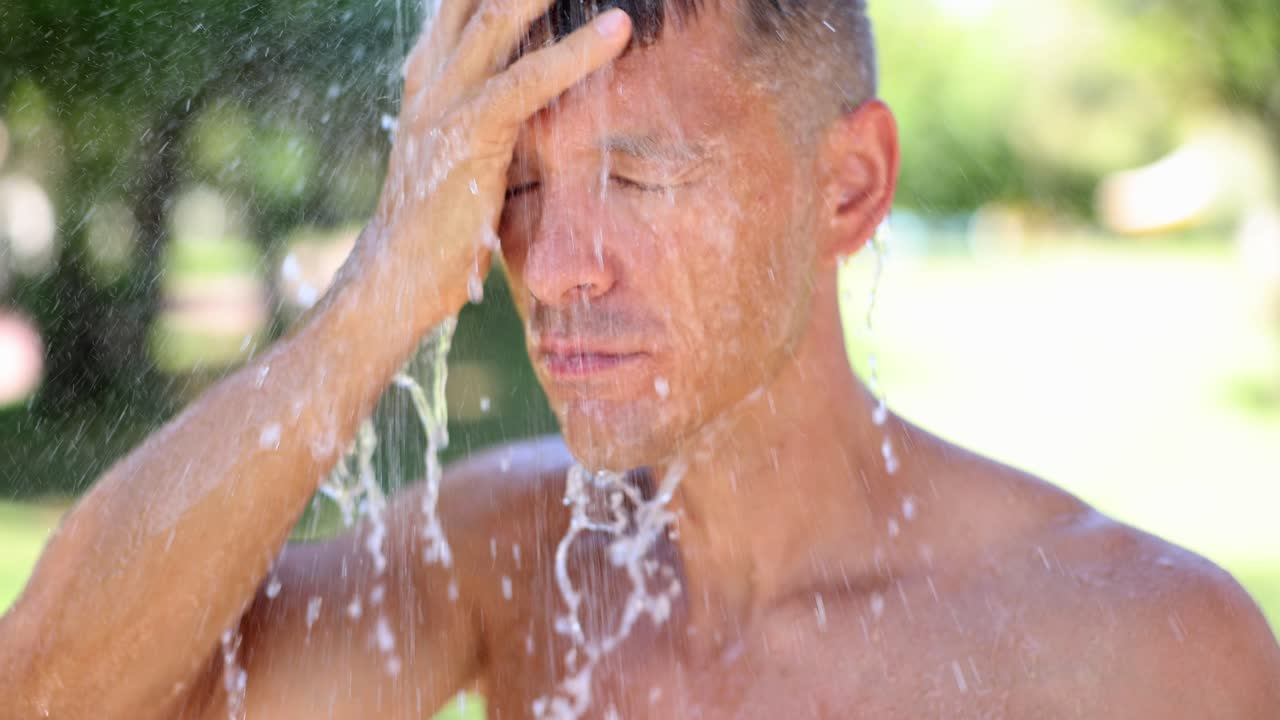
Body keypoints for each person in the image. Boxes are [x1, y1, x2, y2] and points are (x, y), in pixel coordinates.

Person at [3, 0, 1279, 717]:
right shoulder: (508, 559)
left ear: (848, 187)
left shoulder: (1140, 650)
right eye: (510, 187)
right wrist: (377, 292)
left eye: (638, 174)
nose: (552, 266)